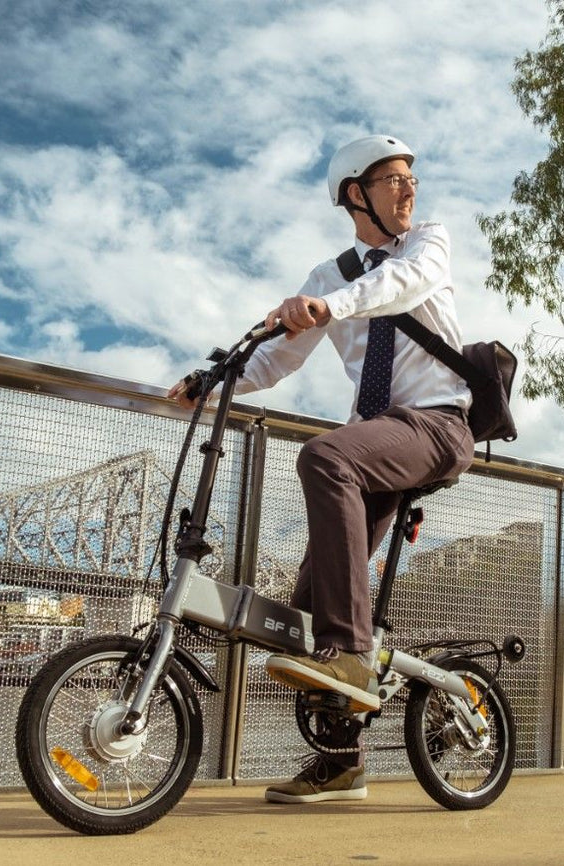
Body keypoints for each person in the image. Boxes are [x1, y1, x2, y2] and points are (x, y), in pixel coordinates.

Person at [168, 134, 474, 803]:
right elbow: (275, 361)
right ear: (354, 194)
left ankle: (354, 652)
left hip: (439, 425)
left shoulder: (427, 243)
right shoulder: (327, 273)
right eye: (392, 180)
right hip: (383, 441)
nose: (408, 189)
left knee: (324, 454)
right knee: (304, 612)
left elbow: (397, 286)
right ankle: (343, 760)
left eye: (409, 179)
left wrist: (329, 306)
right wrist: (210, 380)